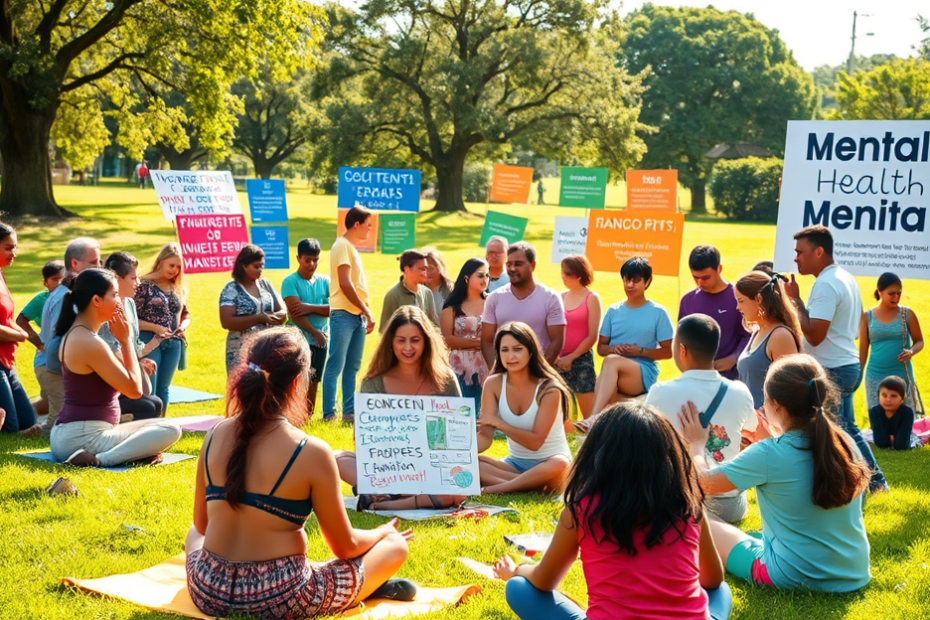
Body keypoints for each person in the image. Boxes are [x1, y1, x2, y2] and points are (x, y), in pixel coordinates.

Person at [186, 328, 416, 619]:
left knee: (193, 533)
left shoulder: (216, 433)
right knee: (394, 545)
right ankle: (365, 586)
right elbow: (346, 547)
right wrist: (382, 532)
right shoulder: (310, 451)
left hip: (209, 589)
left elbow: (202, 526)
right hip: (279, 598)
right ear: (297, 383)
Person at [494, 402, 732, 620]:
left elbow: (543, 581)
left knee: (517, 587)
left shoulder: (581, 510)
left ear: (596, 455)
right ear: (669, 457)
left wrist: (517, 569)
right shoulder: (687, 504)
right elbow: (713, 580)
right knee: (721, 591)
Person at [679, 354, 871, 592]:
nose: (762, 406)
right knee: (746, 535)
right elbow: (797, 463)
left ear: (777, 406)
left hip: (790, 575)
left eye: (765, 400)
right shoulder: (843, 443)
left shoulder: (769, 454)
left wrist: (696, 444)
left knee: (704, 519)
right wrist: (768, 441)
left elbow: (702, 483)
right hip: (854, 573)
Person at [784, 224, 887, 492]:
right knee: (848, 429)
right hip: (846, 364)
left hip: (833, 369)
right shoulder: (844, 276)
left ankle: (847, 484)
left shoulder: (826, 284)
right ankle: (876, 482)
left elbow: (816, 335)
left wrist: (794, 301)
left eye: (800, 252)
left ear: (819, 251)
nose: (796, 258)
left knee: (832, 435)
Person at [334, 306, 467, 511]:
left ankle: (383, 502)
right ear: (390, 342)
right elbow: (364, 441)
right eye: (400, 340)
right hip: (388, 468)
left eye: (415, 340)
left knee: (458, 489)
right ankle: (402, 495)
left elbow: (456, 435)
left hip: (431, 468)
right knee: (336, 459)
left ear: (426, 341)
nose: (408, 348)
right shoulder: (374, 381)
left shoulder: (445, 379)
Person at [48, 269, 181, 467]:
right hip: (82, 438)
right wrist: (126, 341)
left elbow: (126, 371)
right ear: (96, 300)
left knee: (162, 426)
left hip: (77, 433)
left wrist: (129, 352)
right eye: (115, 295)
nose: (120, 302)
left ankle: (125, 453)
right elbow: (135, 391)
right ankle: (99, 460)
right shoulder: (89, 341)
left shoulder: (80, 334)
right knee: (171, 429)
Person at [643, 315, 757, 523]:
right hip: (729, 505)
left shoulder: (660, 392)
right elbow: (752, 430)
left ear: (683, 350)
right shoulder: (740, 391)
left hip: (677, 500)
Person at [477, 322, 572, 494]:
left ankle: (499, 488)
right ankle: (533, 485)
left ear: (530, 351)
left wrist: (500, 424)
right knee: (474, 464)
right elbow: (485, 436)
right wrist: (457, 455)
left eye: (517, 349)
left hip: (550, 464)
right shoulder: (493, 384)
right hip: (514, 465)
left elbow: (535, 442)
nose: (510, 356)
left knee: (561, 464)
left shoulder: (550, 389)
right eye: (504, 350)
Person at [590, 257, 674, 416]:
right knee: (608, 367)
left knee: (610, 361)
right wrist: (613, 348)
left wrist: (640, 351)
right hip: (614, 372)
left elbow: (668, 352)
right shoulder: (613, 311)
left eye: (636, 281)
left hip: (642, 374)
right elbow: (601, 349)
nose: (629, 285)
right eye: (627, 280)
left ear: (647, 281)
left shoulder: (658, 312)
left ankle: (592, 418)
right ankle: (595, 422)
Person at [41, 237, 102, 432]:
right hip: (52, 366)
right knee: (60, 419)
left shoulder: (71, 292)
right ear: (75, 263)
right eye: (93, 262)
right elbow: (57, 341)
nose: (99, 266)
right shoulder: (64, 296)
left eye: (99, 261)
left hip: (60, 364)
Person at [323, 206, 375, 424]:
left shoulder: (350, 248)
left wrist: (363, 312)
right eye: (368, 225)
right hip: (344, 314)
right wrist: (366, 309)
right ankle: (329, 415)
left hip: (356, 316)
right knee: (336, 364)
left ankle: (349, 413)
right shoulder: (341, 245)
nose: (370, 230)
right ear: (357, 224)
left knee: (352, 366)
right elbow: (345, 283)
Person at [481, 242, 566, 368]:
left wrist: (539, 371)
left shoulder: (550, 298)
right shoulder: (494, 298)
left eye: (518, 264)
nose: (512, 268)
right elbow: (486, 341)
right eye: (509, 264)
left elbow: (557, 341)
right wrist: (496, 370)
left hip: (539, 375)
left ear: (532, 265)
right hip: (504, 374)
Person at [101, 252, 164, 421]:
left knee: (155, 402)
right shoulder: (103, 308)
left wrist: (141, 360)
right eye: (133, 278)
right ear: (116, 278)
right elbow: (107, 351)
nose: (138, 283)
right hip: (108, 381)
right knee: (148, 406)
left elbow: (133, 342)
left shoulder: (129, 303)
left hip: (128, 373)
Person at [679, 246, 749, 381]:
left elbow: (749, 335)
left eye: (705, 277)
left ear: (719, 269)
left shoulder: (738, 297)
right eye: (695, 277)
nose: (699, 283)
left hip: (731, 379)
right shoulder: (687, 300)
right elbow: (681, 340)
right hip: (696, 379)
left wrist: (734, 357)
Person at [734, 271, 802, 410]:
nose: (737, 307)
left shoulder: (780, 336)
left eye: (741, 301)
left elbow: (790, 390)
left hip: (769, 428)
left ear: (759, 299)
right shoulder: (757, 331)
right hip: (750, 425)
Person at [135, 243, 190, 410]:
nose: (174, 270)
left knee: (164, 388)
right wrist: (154, 327)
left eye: (179, 267)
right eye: (171, 265)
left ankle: (161, 425)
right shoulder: (143, 285)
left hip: (174, 343)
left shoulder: (178, 287)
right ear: (160, 262)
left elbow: (186, 314)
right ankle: (147, 424)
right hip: (150, 341)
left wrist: (183, 325)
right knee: (149, 387)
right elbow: (131, 319)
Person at [859, 272, 923, 411]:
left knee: (904, 420)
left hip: (901, 375)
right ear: (880, 291)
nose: (896, 297)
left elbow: (920, 341)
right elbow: (863, 350)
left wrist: (911, 351)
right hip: (875, 375)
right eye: (892, 293)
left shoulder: (907, 314)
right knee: (879, 421)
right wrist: (858, 374)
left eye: (899, 293)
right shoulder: (867, 317)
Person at [219, 245, 287, 375]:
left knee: (265, 390)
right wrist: (259, 318)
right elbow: (226, 321)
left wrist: (276, 317)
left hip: (266, 349)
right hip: (240, 351)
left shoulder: (266, 285)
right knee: (243, 390)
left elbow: (283, 312)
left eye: (262, 266)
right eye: (256, 266)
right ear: (243, 266)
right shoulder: (231, 290)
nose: (260, 270)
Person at [282, 238, 330, 418]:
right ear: (298, 258)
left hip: (321, 339)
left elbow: (336, 309)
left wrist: (308, 307)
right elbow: (295, 313)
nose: (312, 264)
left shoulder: (325, 281)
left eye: (316, 260)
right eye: (307, 260)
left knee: (314, 379)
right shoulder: (290, 282)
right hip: (297, 338)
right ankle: (291, 414)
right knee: (295, 379)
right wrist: (314, 331)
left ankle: (307, 416)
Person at [0, 224, 40, 435]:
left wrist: (36, 340)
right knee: (10, 427)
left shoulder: (1, 275)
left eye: (14, 247)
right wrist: (22, 335)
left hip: (6, 359)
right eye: (8, 248)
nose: (13, 253)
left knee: (27, 421)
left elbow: (7, 319)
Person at [440, 258, 490, 413]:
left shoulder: (493, 302)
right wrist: (479, 343)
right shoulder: (452, 307)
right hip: (459, 366)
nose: (485, 279)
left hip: (487, 364)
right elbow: (447, 340)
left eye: (487, 276)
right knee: (460, 410)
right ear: (467, 278)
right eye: (480, 275)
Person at [16, 259, 64, 416]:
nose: (59, 282)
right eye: (54, 279)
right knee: (60, 402)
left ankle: (26, 412)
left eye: (62, 278)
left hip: (68, 356)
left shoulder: (72, 297)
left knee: (53, 400)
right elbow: (21, 321)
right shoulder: (42, 299)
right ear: (45, 283)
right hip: (47, 359)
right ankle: (28, 416)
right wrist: (39, 343)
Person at [555, 256, 601, 420]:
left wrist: (572, 357)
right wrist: (559, 357)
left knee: (589, 415)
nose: (563, 277)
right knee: (559, 413)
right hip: (558, 359)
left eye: (567, 274)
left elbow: (592, 335)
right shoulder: (559, 297)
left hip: (582, 360)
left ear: (579, 275)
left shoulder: (592, 298)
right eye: (562, 272)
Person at [379, 250, 437, 332]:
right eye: (422, 269)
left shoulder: (427, 293)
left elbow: (433, 325)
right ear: (406, 269)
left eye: (426, 269)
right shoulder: (393, 295)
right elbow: (384, 330)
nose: (425, 273)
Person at [868, 376, 916, 450]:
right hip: (886, 438)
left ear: (902, 399)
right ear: (878, 396)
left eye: (893, 396)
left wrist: (895, 440)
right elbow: (881, 443)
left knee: (901, 445)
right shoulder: (874, 412)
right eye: (884, 395)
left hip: (900, 440)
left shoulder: (907, 413)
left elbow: (902, 445)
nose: (888, 399)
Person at [422, 247, 453, 314]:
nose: (427, 273)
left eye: (431, 268)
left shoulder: (453, 290)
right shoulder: (416, 291)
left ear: (440, 267)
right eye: (423, 269)